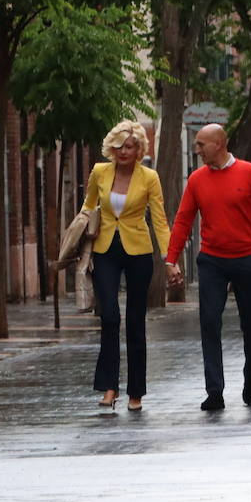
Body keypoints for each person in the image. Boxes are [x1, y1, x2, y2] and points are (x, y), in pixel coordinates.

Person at [165, 125, 251, 411]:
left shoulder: (250, 173)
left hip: (247, 259)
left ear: (219, 144)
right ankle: (214, 390)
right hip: (212, 260)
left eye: (201, 144)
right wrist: (171, 259)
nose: (197, 149)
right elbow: (183, 220)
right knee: (209, 322)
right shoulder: (197, 179)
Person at [82, 120, 170, 412]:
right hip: (105, 249)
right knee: (109, 317)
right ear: (112, 148)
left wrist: (170, 258)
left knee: (135, 321)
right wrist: (80, 233)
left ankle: (136, 392)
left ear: (138, 150)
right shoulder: (99, 172)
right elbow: (88, 207)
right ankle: (109, 387)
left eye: (128, 147)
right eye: (118, 146)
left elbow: (158, 219)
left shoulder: (149, 178)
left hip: (138, 251)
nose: (123, 151)